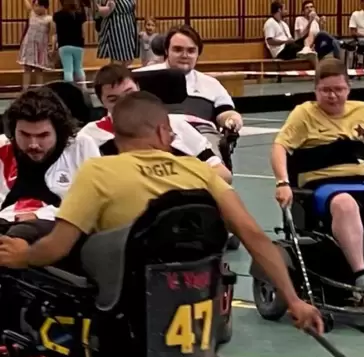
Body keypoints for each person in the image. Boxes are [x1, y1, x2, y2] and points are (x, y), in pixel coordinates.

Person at [0, 91, 324, 336]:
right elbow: (253, 235)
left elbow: (57, 246)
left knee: (18, 242)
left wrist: (23, 255)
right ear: (160, 132)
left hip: (123, 297)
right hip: (192, 292)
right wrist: (293, 300)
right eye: (171, 133)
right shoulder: (200, 173)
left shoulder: (98, 172)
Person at [271, 58, 364, 303]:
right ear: (316, 91)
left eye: (338, 89)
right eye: (325, 90)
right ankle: (361, 277)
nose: (332, 95)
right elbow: (280, 147)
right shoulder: (303, 114)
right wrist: (282, 182)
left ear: (348, 88)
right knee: (345, 203)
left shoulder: (362, 110)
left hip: (360, 181)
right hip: (321, 186)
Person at [81, 63, 232, 183]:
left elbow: (224, 175)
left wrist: (178, 184)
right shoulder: (90, 137)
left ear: (139, 88)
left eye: (129, 93)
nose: (125, 103)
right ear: (102, 102)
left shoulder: (176, 125)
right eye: (113, 99)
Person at [0, 86, 100, 243]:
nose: (33, 144)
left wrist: (39, 215)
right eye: (25, 135)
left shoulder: (80, 146)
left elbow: (95, 204)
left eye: (43, 135)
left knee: (18, 235)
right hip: (5, 222)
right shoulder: (2, 148)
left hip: (59, 226)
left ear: (59, 132)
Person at [135, 25, 244, 158]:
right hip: (152, 142)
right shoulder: (140, 78)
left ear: (198, 54)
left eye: (191, 51)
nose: (185, 55)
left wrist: (232, 119)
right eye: (178, 50)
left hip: (201, 140)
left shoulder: (211, 84)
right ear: (166, 50)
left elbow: (226, 112)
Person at [52, 0, 87, 86]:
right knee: (79, 68)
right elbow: (84, 32)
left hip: (64, 45)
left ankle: (70, 90)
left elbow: (55, 33)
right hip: (78, 45)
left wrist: (53, 48)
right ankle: (83, 88)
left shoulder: (57, 15)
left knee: (68, 70)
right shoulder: (80, 15)